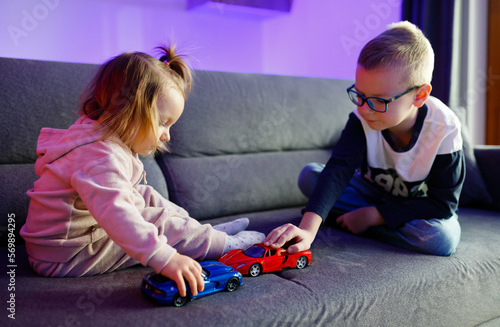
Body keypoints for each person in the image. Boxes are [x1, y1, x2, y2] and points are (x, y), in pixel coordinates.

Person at [20, 45, 264, 297]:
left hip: (64, 244)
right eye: (162, 122)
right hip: (66, 255)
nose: (167, 135)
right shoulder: (99, 155)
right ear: (128, 109)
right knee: (157, 223)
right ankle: (222, 245)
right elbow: (117, 213)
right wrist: (165, 258)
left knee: (145, 195)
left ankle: (201, 234)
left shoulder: (99, 140)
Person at [264, 21, 464, 257]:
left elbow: (443, 204)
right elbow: (338, 169)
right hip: (367, 193)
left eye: (380, 100)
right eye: (360, 94)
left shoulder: (444, 129)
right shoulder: (361, 116)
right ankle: (358, 222)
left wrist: (374, 215)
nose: (365, 109)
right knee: (310, 176)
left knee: (441, 240)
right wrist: (307, 230)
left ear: (419, 95)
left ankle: (357, 222)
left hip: (414, 208)